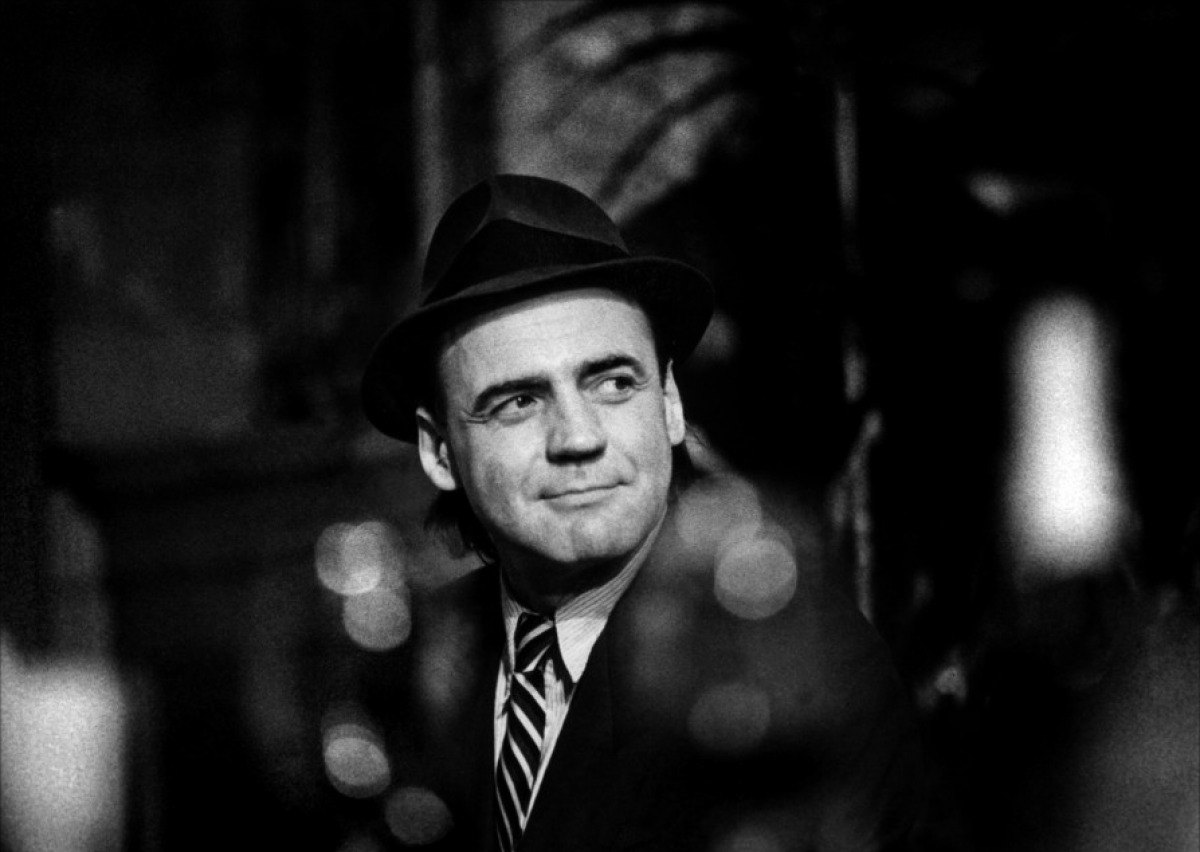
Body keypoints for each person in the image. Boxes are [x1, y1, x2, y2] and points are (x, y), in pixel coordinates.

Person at [359, 174, 923, 851]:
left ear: (671, 403)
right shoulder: (428, 664)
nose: (578, 437)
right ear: (439, 450)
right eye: (518, 402)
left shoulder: (785, 657)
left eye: (613, 383)